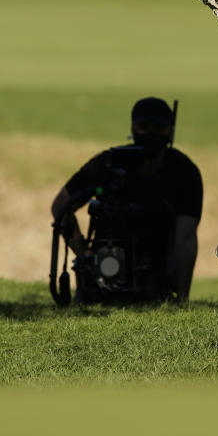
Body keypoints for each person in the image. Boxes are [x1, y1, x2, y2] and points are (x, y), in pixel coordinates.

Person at [50, 97, 202, 304]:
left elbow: (186, 238)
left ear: (170, 131)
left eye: (158, 127)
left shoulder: (184, 172)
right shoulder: (109, 163)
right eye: (144, 126)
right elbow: (61, 205)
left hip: (155, 274)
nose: (151, 133)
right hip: (104, 270)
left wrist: (182, 298)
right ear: (133, 128)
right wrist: (84, 254)